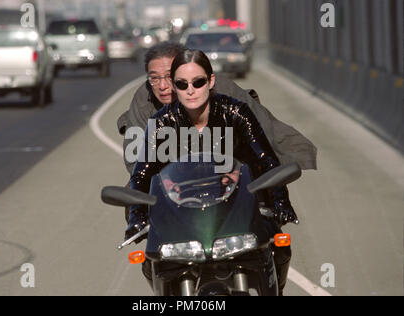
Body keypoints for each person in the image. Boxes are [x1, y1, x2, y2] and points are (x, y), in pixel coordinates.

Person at [126, 49, 299, 296]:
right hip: (184, 207)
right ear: (174, 87)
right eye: (182, 84)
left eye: (198, 82)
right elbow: (141, 175)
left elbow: (265, 160)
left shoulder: (237, 112)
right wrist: (137, 217)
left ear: (211, 81)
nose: (190, 89)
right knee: (152, 259)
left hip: (239, 201)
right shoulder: (161, 123)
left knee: (278, 247)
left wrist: (280, 202)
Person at [117, 42, 317, 175]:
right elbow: (135, 158)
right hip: (174, 176)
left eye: (170, 77)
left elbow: (261, 135)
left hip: (234, 164)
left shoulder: (224, 90)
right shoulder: (144, 98)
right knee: (135, 200)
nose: (162, 86)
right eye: (154, 78)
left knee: (268, 195)